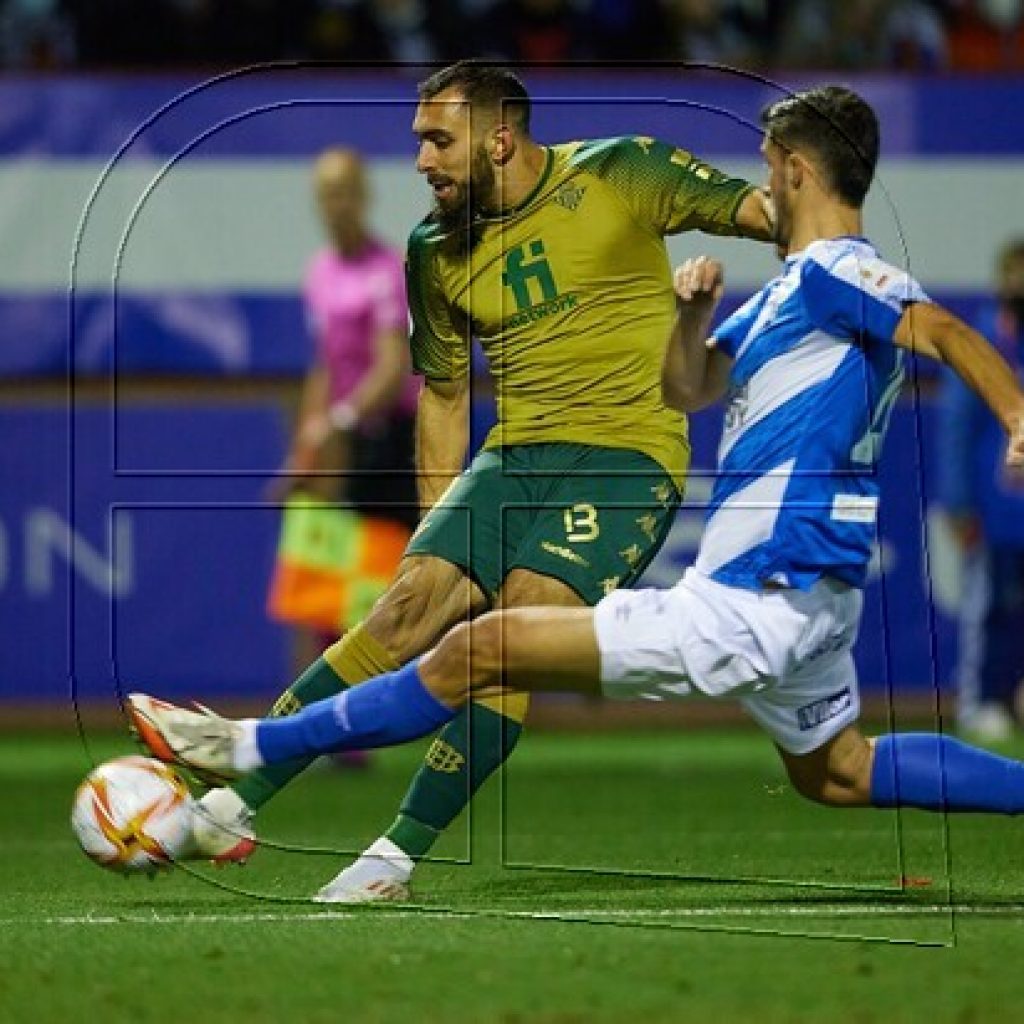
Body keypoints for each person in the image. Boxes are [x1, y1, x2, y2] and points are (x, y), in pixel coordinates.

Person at [130, 86, 1024, 848]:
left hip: (731, 571)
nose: (421, 161)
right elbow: (687, 383)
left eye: (765, 164)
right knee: (838, 771)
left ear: (792, 168)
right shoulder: (779, 299)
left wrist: (1018, 417)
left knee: (488, 643)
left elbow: (934, 324)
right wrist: (692, 312)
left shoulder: (817, 263)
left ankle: (271, 764)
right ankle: (249, 794)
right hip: (778, 588)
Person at [174, 60, 775, 898]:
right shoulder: (432, 249)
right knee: (406, 605)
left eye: (437, 140)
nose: (420, 160)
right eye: (418, 140)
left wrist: (828, 241)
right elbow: (446, 395)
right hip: (513, 456)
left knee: (517, 628)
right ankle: (234, 804)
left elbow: (764, 213)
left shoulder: (620, 170)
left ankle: (395, 854)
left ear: (499, 137)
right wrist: (435, 532)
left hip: (627, 458)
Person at [268, 148, 418, 767]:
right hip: (342, 440)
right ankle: (328, 727)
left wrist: (340, 421)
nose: (336, 205)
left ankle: (447, 708)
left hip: (391, 441)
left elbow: (393, 365)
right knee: (325, 584)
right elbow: (325, 366)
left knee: (403, 585)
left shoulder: (388, 272)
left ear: (364, 196)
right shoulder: (319, 273)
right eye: (325, 194)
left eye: (345, 192)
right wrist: (309, 439)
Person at [940, 239, 1024, 740]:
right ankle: (982, 699)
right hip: (996, 510)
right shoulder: (984, 341)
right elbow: (957, 427)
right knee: (990, 606)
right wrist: (959, 503)